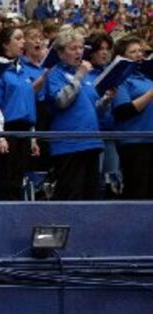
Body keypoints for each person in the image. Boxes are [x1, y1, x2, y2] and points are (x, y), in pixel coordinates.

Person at [45, 29, 113, 200]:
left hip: (91, 141)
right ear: (60, 53)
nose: (79, 52)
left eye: (81, 48)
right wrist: (79, 76)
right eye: (73, 48)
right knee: (71, 192)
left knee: (92, 194)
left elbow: (94, 109)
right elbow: (61, 101)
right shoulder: (55, 75)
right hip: (69, 144)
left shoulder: (89, 78)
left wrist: (106, 100)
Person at [0, 26, 40, 201]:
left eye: (23, 38)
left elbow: (28, 105)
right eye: (17, 38)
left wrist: (32, 137)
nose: (23, 42)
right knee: (7, 181)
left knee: (19, 180)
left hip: (24, 131)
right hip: (7, 130)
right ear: (5, 44)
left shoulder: (24, 70)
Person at [111, 35, 153, 199]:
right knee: (138, 191)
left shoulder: (147, 78)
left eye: (140, 51)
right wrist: (150, 94)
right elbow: (123, 111)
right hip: (134, 142)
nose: (138, 54)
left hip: (151, 139)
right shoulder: (121, 80)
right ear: (122, 56)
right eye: (133, 52)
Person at [85, 31, 120, 191]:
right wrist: (105, 99)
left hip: (111, 134)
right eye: (100, 49)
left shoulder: (112, 73)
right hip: (92, 134)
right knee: (94, 181)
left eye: (107, 49)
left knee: (112, 180)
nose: (105, 52)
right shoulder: (86, 75)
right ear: (91, 52)